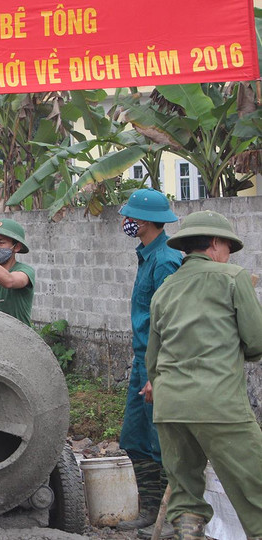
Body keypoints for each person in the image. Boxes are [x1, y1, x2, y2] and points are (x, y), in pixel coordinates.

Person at [144, 210, 262, 539]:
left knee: (186, 495)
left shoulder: (165, 290)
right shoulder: (233, 278)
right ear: (214, 243)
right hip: (219, 405)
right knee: (256, 488)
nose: (228, 257)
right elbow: (256, 341)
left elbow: (152, 361)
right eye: (228, 249)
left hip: (170, 409)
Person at [115, 188, 181, 535]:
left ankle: (169, 518)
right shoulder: (147, 255)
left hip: (157, 364)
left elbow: (171, 321)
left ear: (144, 222)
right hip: (142, 361)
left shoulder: (166, 259)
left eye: (130, 217)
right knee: (136, 439)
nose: (125, 221)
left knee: (161, 442)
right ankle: (149, 511)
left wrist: (159, 373)